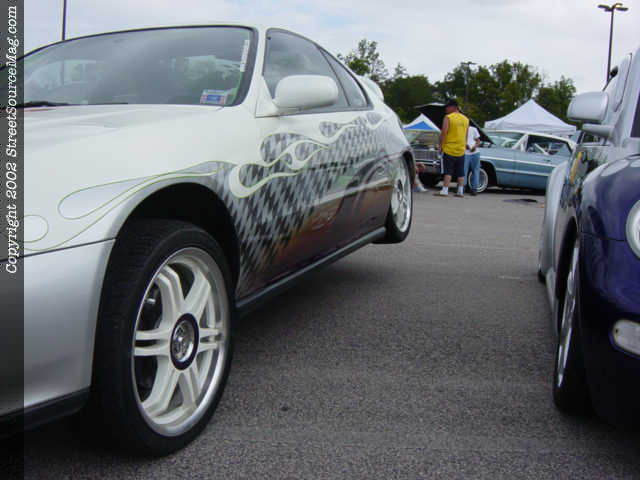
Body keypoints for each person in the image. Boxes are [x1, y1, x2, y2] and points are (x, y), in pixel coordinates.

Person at [435, 98, 469, 198]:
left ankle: (445, 190)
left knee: (448, 170)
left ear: (454, 107)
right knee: (460, 171)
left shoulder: (448, 117)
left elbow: (444, 133)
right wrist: (464, 146)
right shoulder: (466, 119)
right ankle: (460, 191)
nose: (446, 108)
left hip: (449, 148)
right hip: (461, 149)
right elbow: (466, 135)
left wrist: (441, 146)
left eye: (447, 107)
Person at [464, 125, 481, 196]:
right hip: (465, 152)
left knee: (475, 171)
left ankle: (474, 189)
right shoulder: (461, 128)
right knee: (464, 170)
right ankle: (462, 186)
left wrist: (475, 146)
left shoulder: (473, 129)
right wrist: (464, 145)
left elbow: (478, 141)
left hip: (475, 152)